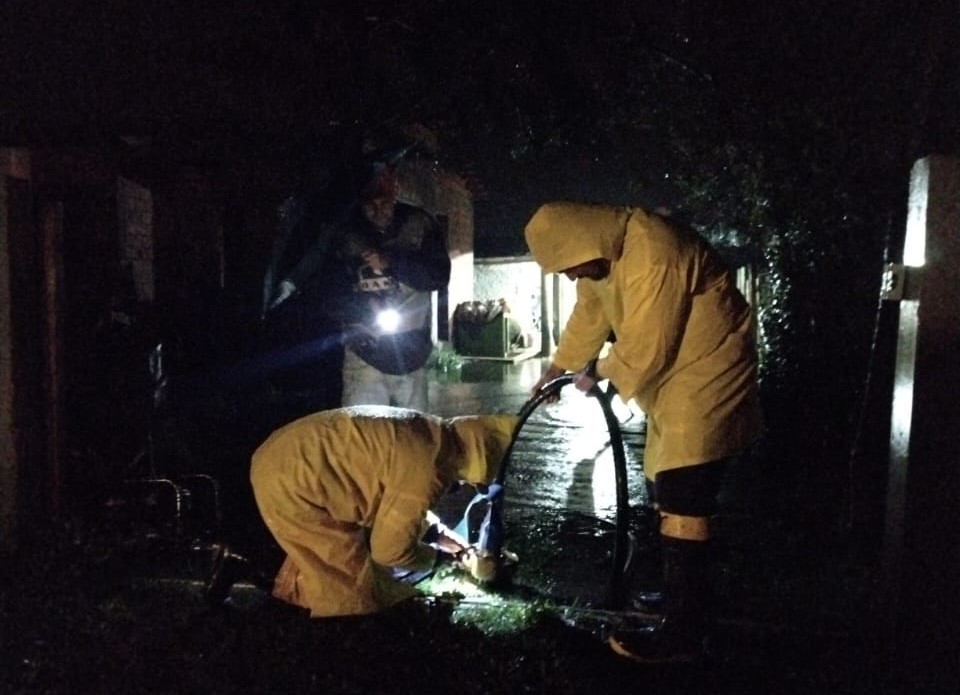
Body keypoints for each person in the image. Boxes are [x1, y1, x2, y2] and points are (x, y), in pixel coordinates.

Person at [525, 201, 764, 663]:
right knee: (666, 485)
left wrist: (597, 369)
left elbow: (647, 347)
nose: (573, 276)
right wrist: (558, 366)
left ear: (584, 240)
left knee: (684, 491)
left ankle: (684, 632)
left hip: (708, 369)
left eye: (570, 266)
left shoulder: (656, 251)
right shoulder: (605, 260)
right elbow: (591, 316)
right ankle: (685, 598)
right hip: (677, 379)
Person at [206, 405, 518, 617]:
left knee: (327, 555)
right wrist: (442, 560)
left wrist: (449, 542)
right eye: (474, 481)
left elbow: (397, 503)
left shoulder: (432, 435)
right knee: (346, 592)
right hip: (295, 479)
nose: (467, 486)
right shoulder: (430, 469)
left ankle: (242, 559)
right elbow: (389, 549)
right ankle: (242, 563)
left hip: (286, 456)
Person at [334, 166, 450, 411]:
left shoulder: (419, 225)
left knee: (415, 433)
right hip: (364, 352)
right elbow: (330, 288)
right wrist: (363, 309)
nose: (378, 211)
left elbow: (437, 276)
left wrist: (391, 261)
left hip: (411, 351)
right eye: (369, 204)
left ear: (395, 196)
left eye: (384, 203)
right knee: (362, 434)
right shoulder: (345, 230)